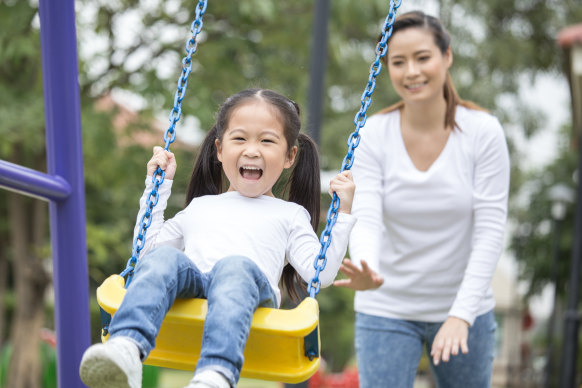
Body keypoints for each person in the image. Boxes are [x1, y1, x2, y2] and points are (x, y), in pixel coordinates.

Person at [79, 88, 357, 388]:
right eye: (240, 138)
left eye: (267, 140)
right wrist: (156, 187)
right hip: (196, 285)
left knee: (234, 266)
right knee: (164, 258)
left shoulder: (290, 215)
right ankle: (127, 348)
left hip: (250, 292)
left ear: (290, 155)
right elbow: (145, 256)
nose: (252, 150)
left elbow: (321, 274)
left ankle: (216, 375)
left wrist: (342, 213)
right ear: (220, 150)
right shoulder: (201, 206)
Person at [333, 11, 510, 388]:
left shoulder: (483, 132)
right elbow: (367, 214)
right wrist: (368, 269)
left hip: (465, 307)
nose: (411, 71)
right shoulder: (374, 134)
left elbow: (490, 230)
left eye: (422, 57)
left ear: (446, 57)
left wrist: (461, 315)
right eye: (398, 62)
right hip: (387, 307)